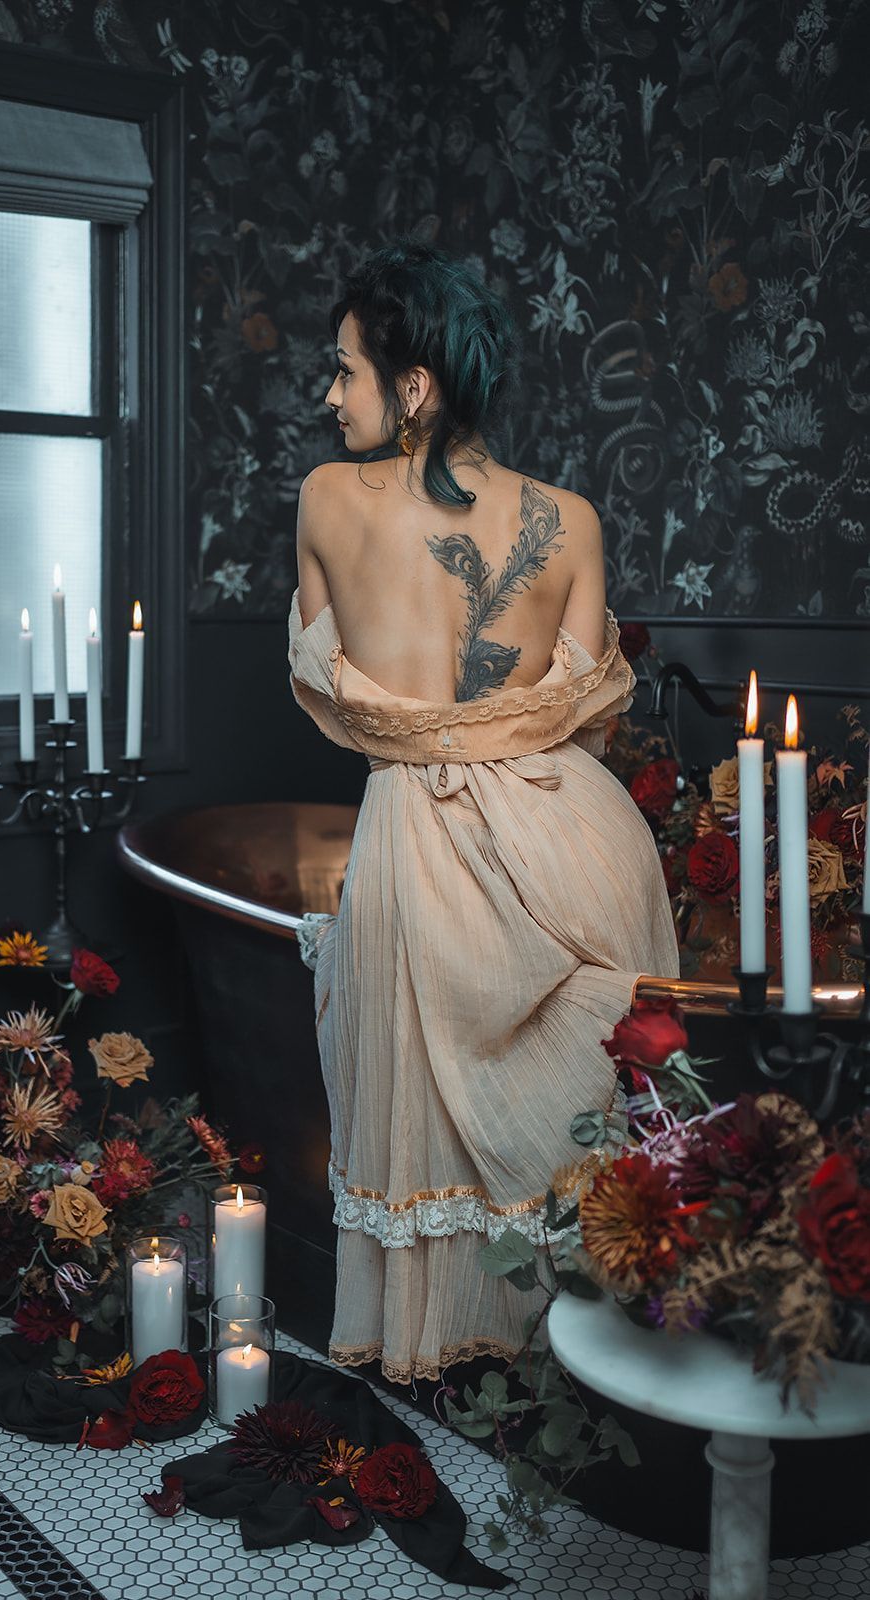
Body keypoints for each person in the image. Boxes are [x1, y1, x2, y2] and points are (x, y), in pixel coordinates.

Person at [288, 239, 679, 1385]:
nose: (328, 395)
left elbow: (330, 690)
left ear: (412, 385)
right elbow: (583, 722)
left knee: (425, 1128)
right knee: (582, 1102)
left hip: (409, 837)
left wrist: (427, 733)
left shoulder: (326, 501)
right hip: (569, 836)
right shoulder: (571, 518)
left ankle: (452, 1353)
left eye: (345, 370)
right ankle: (585, 1355)